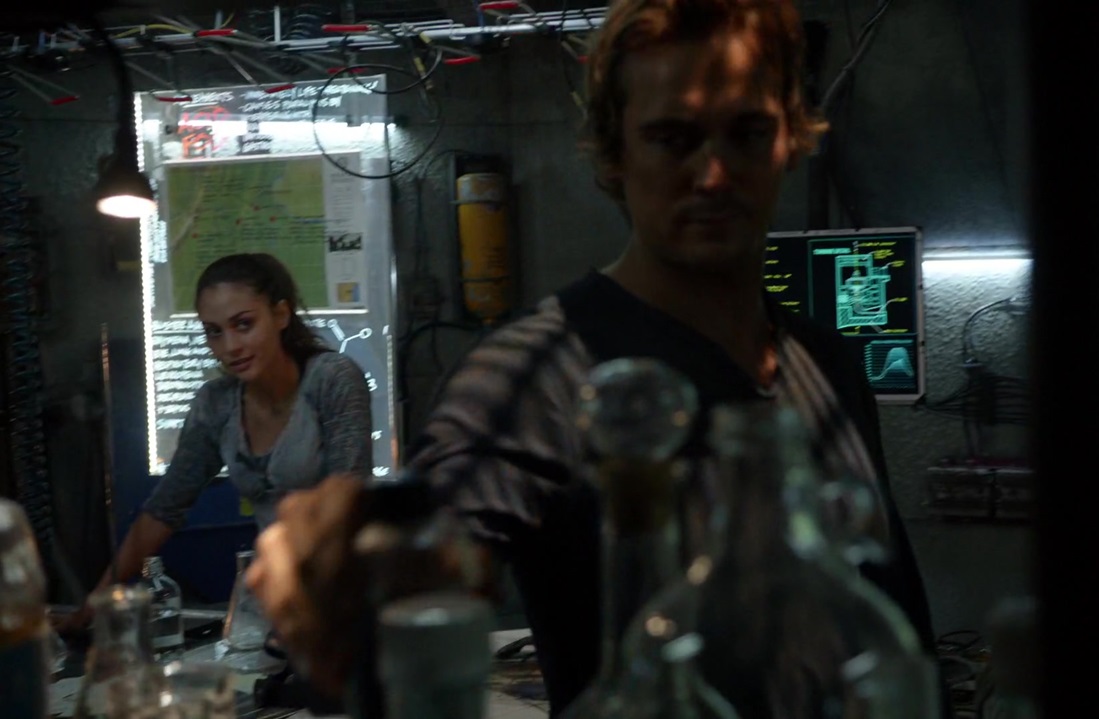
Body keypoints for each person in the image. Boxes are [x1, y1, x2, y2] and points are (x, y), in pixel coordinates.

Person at [249, 0, 940, 714]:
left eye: (746, 133)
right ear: (615, 154)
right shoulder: (539, 371)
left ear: (790, 138)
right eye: (672, 138)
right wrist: (375, 558)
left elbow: (898, 608)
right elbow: (449, 527)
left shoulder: (825, 361)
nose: (713, 174)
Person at [62, 252, 372, 626]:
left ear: (281, 315)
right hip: (270, 601)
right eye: (214, 331)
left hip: (344, 595)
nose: (230, 347)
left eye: (244, 324)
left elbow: (347, 499)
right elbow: (163, 509)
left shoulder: (332, 379)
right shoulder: (217, 404)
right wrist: (95, 604)